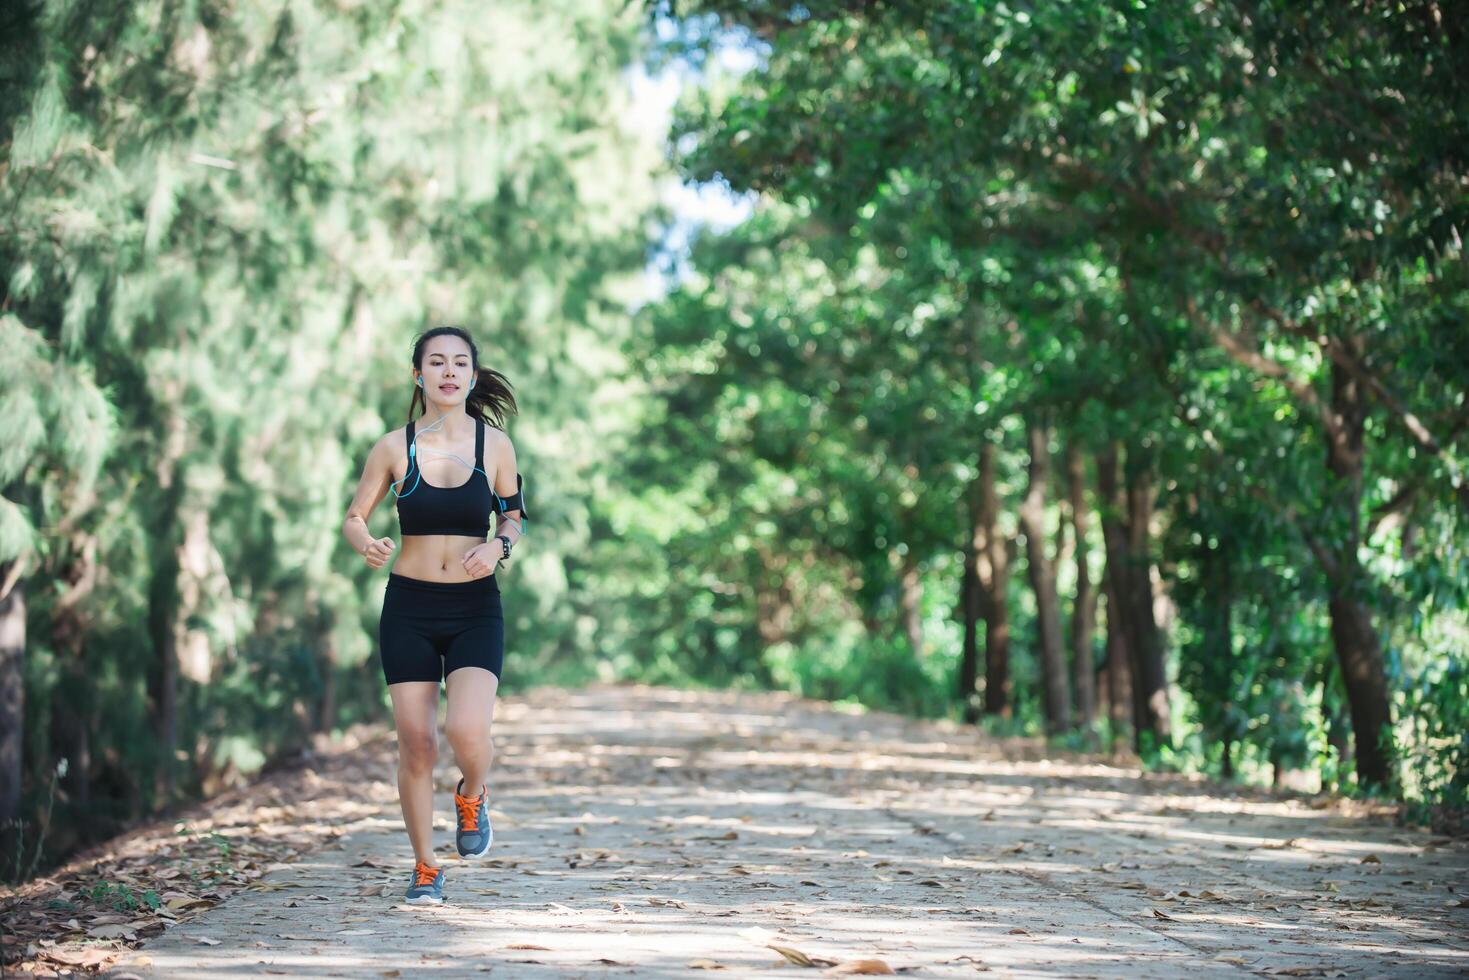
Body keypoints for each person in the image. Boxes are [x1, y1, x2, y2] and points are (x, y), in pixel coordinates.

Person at [341, 326, 528, 906]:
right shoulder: (394, 447)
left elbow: (515, 516)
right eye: (437, 362)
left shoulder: (493, 446)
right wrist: (365, 542)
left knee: (467, 730)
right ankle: (425, 867)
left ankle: (472, 792)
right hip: (409, 607)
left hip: (475, 608)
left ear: (472, 376)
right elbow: (353, 516)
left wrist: (498, 547)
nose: (449, 371)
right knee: (416, 742)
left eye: (461, 363)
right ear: (418, 374)